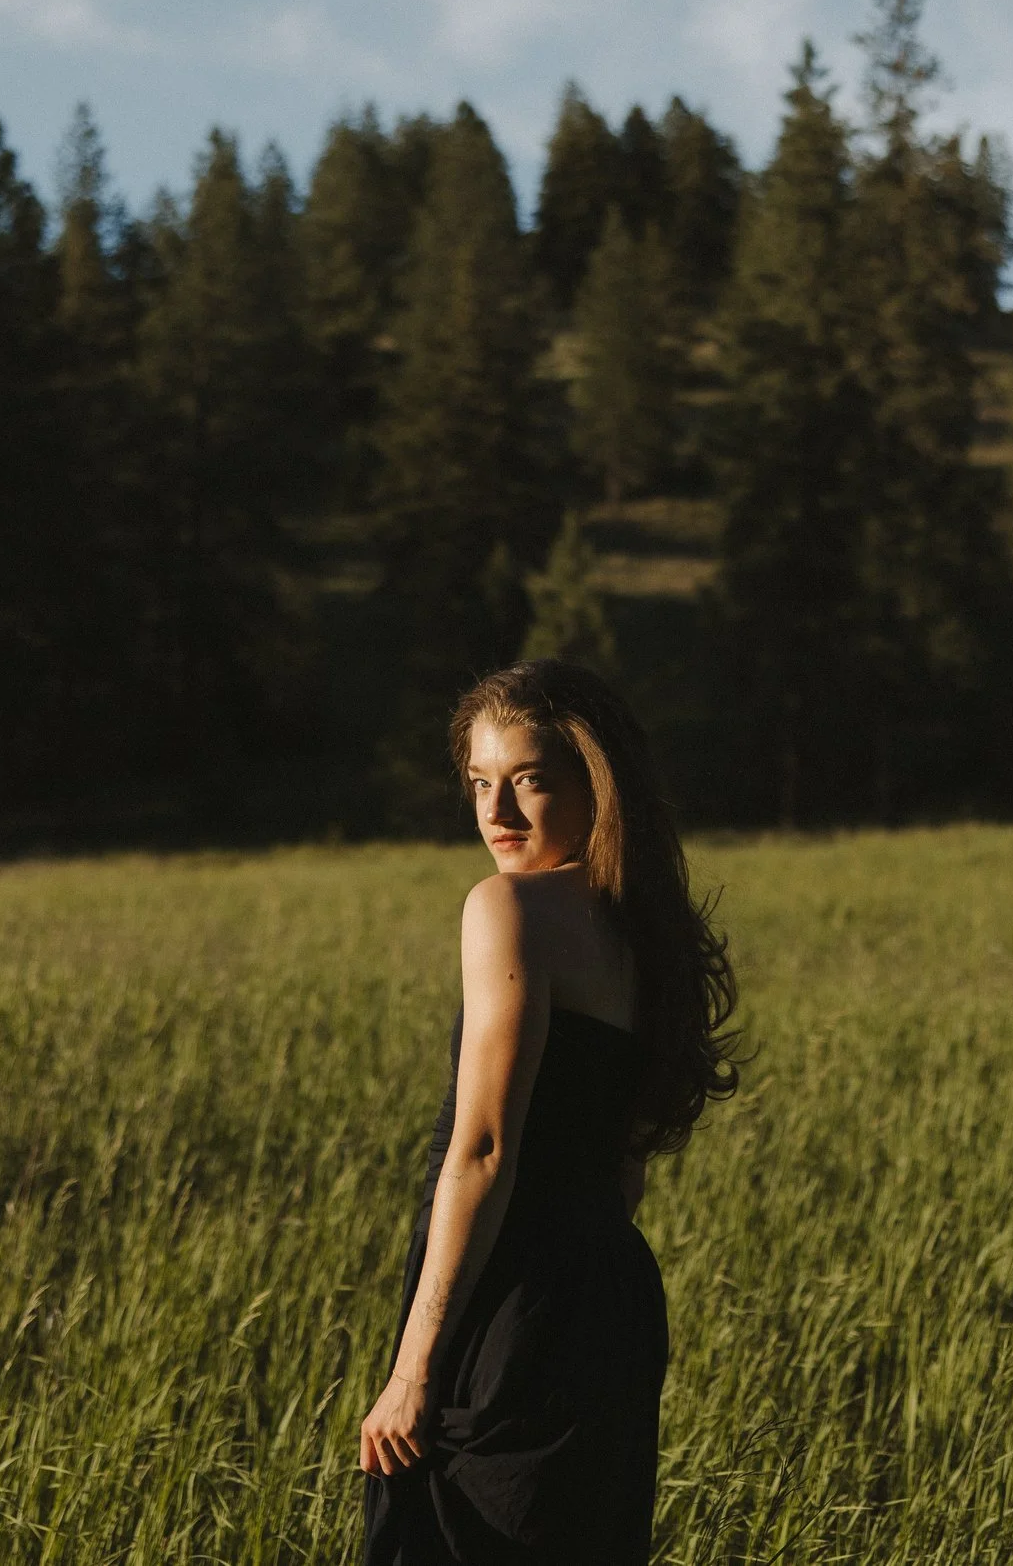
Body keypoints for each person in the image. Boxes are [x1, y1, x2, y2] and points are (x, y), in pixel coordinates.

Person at [361, 659, 742, 1564]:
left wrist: (413, 1370)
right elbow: (627, 1162)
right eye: (482, 784)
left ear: (595, 786)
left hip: (510, 1302)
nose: (497, 814)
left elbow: (485, 1149)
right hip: (608, 1303)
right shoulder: (645, 933)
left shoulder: (509, 908)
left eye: (529, 782)